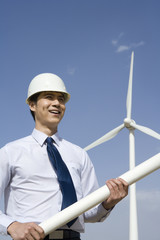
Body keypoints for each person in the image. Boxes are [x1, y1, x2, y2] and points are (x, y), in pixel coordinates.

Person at [0, 73, 128, 240]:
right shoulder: (10, 152)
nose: (57, 103)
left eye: (61, 99)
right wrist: (11, 225)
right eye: (49, 97)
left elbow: (88, 213)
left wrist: (108, 203)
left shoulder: (79, 154)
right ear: (32, 104)